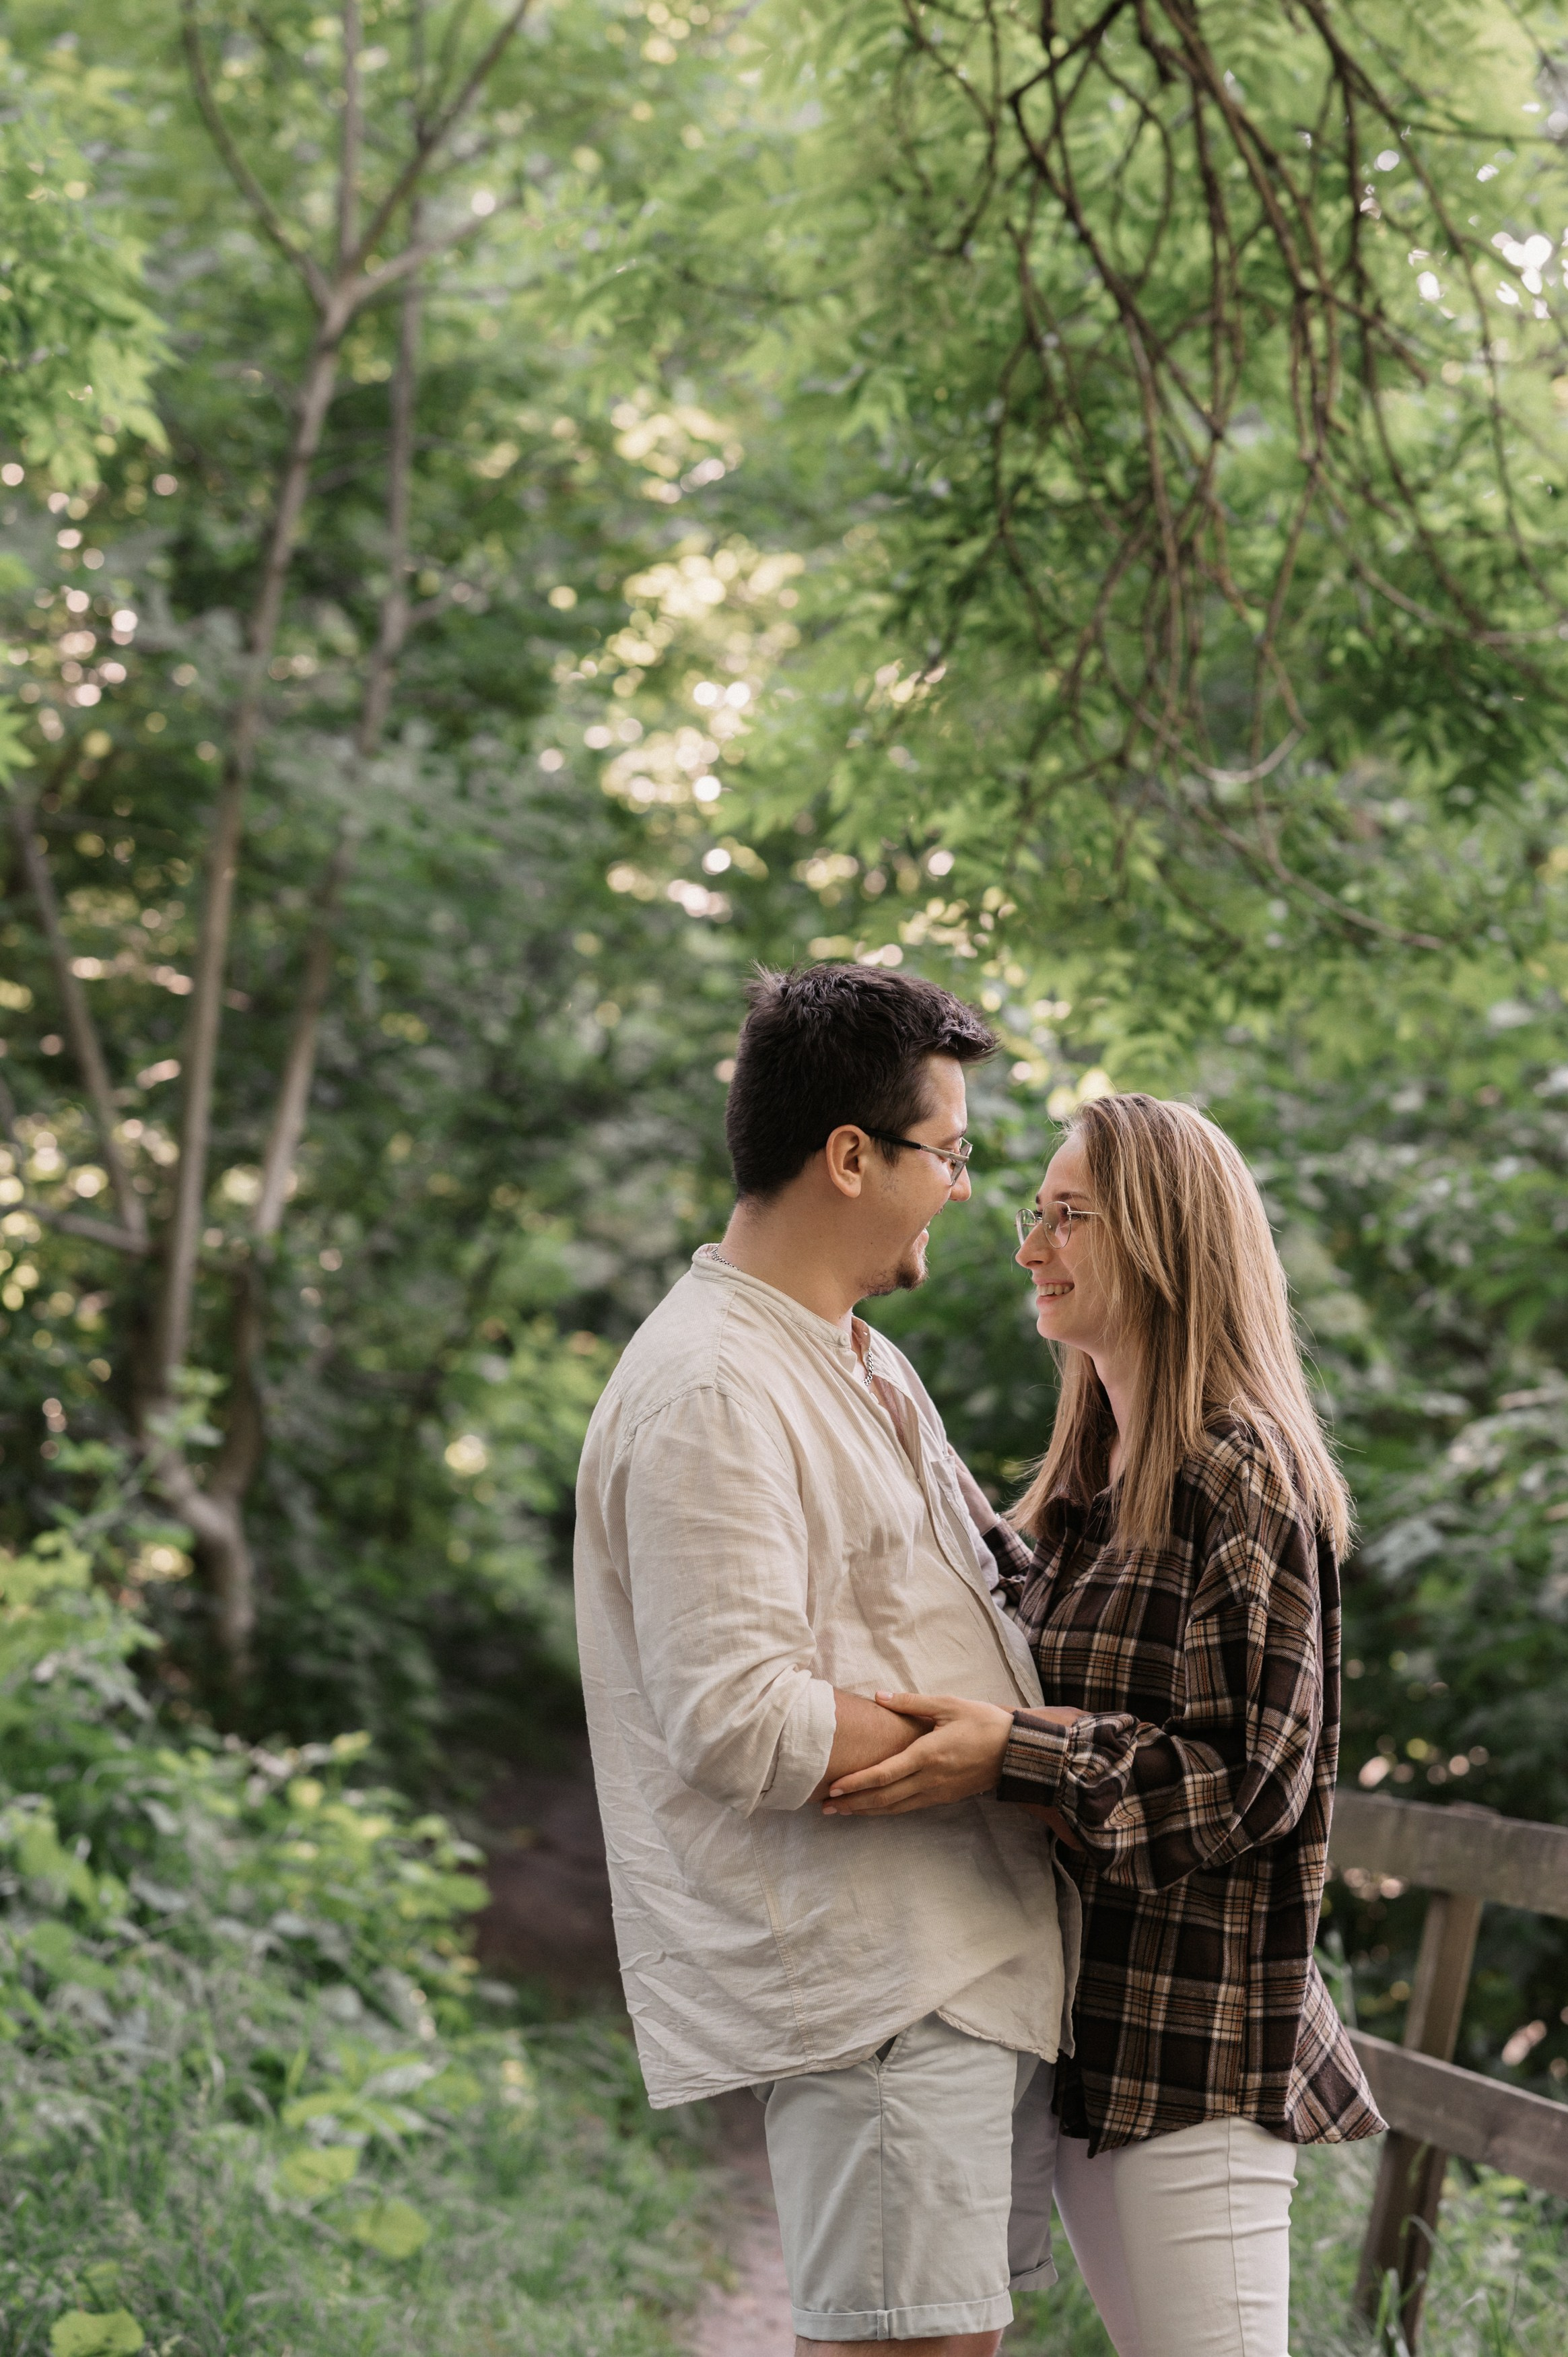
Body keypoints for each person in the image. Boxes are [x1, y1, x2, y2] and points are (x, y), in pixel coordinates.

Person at [822, 1090, 1384, 2357]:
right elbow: (997, 1603)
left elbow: (1256, 1779)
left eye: (1068, 1217)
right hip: (1091, 2048)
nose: (1031, 1245)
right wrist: (880, 1413)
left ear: (1163, 1236)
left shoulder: (1242, 1470)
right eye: (1037, 1213)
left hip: (1196, 2062)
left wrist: (1008, 1753)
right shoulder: (1094, 1489)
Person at [574, 964, 1075, 2357]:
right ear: (850, 1156)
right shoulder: (714, 1385)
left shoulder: (858, 1359)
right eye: (949, 1154)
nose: (964, 1189)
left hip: (946, 1972)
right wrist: (990, 1745)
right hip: (877, 1993)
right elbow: (734, 1714)